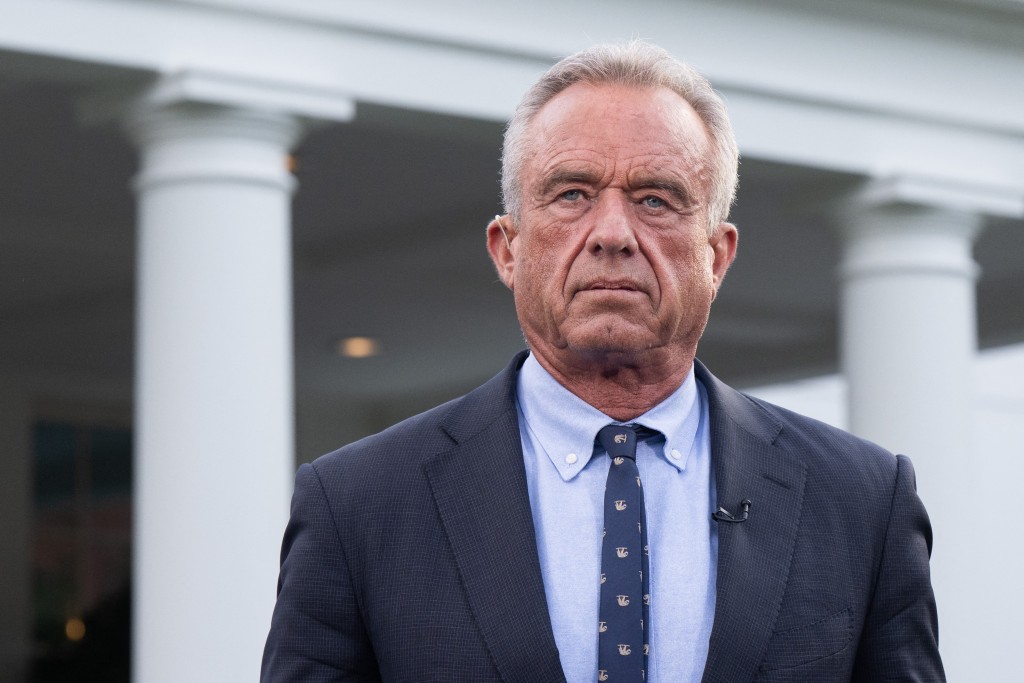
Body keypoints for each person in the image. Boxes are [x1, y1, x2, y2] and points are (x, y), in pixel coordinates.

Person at [262, 41, 943, 682]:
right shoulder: (360, 505)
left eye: (656, 198)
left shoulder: (860, 502)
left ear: (719, 254)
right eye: (572, 194)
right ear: (507, 248)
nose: (613, 234)